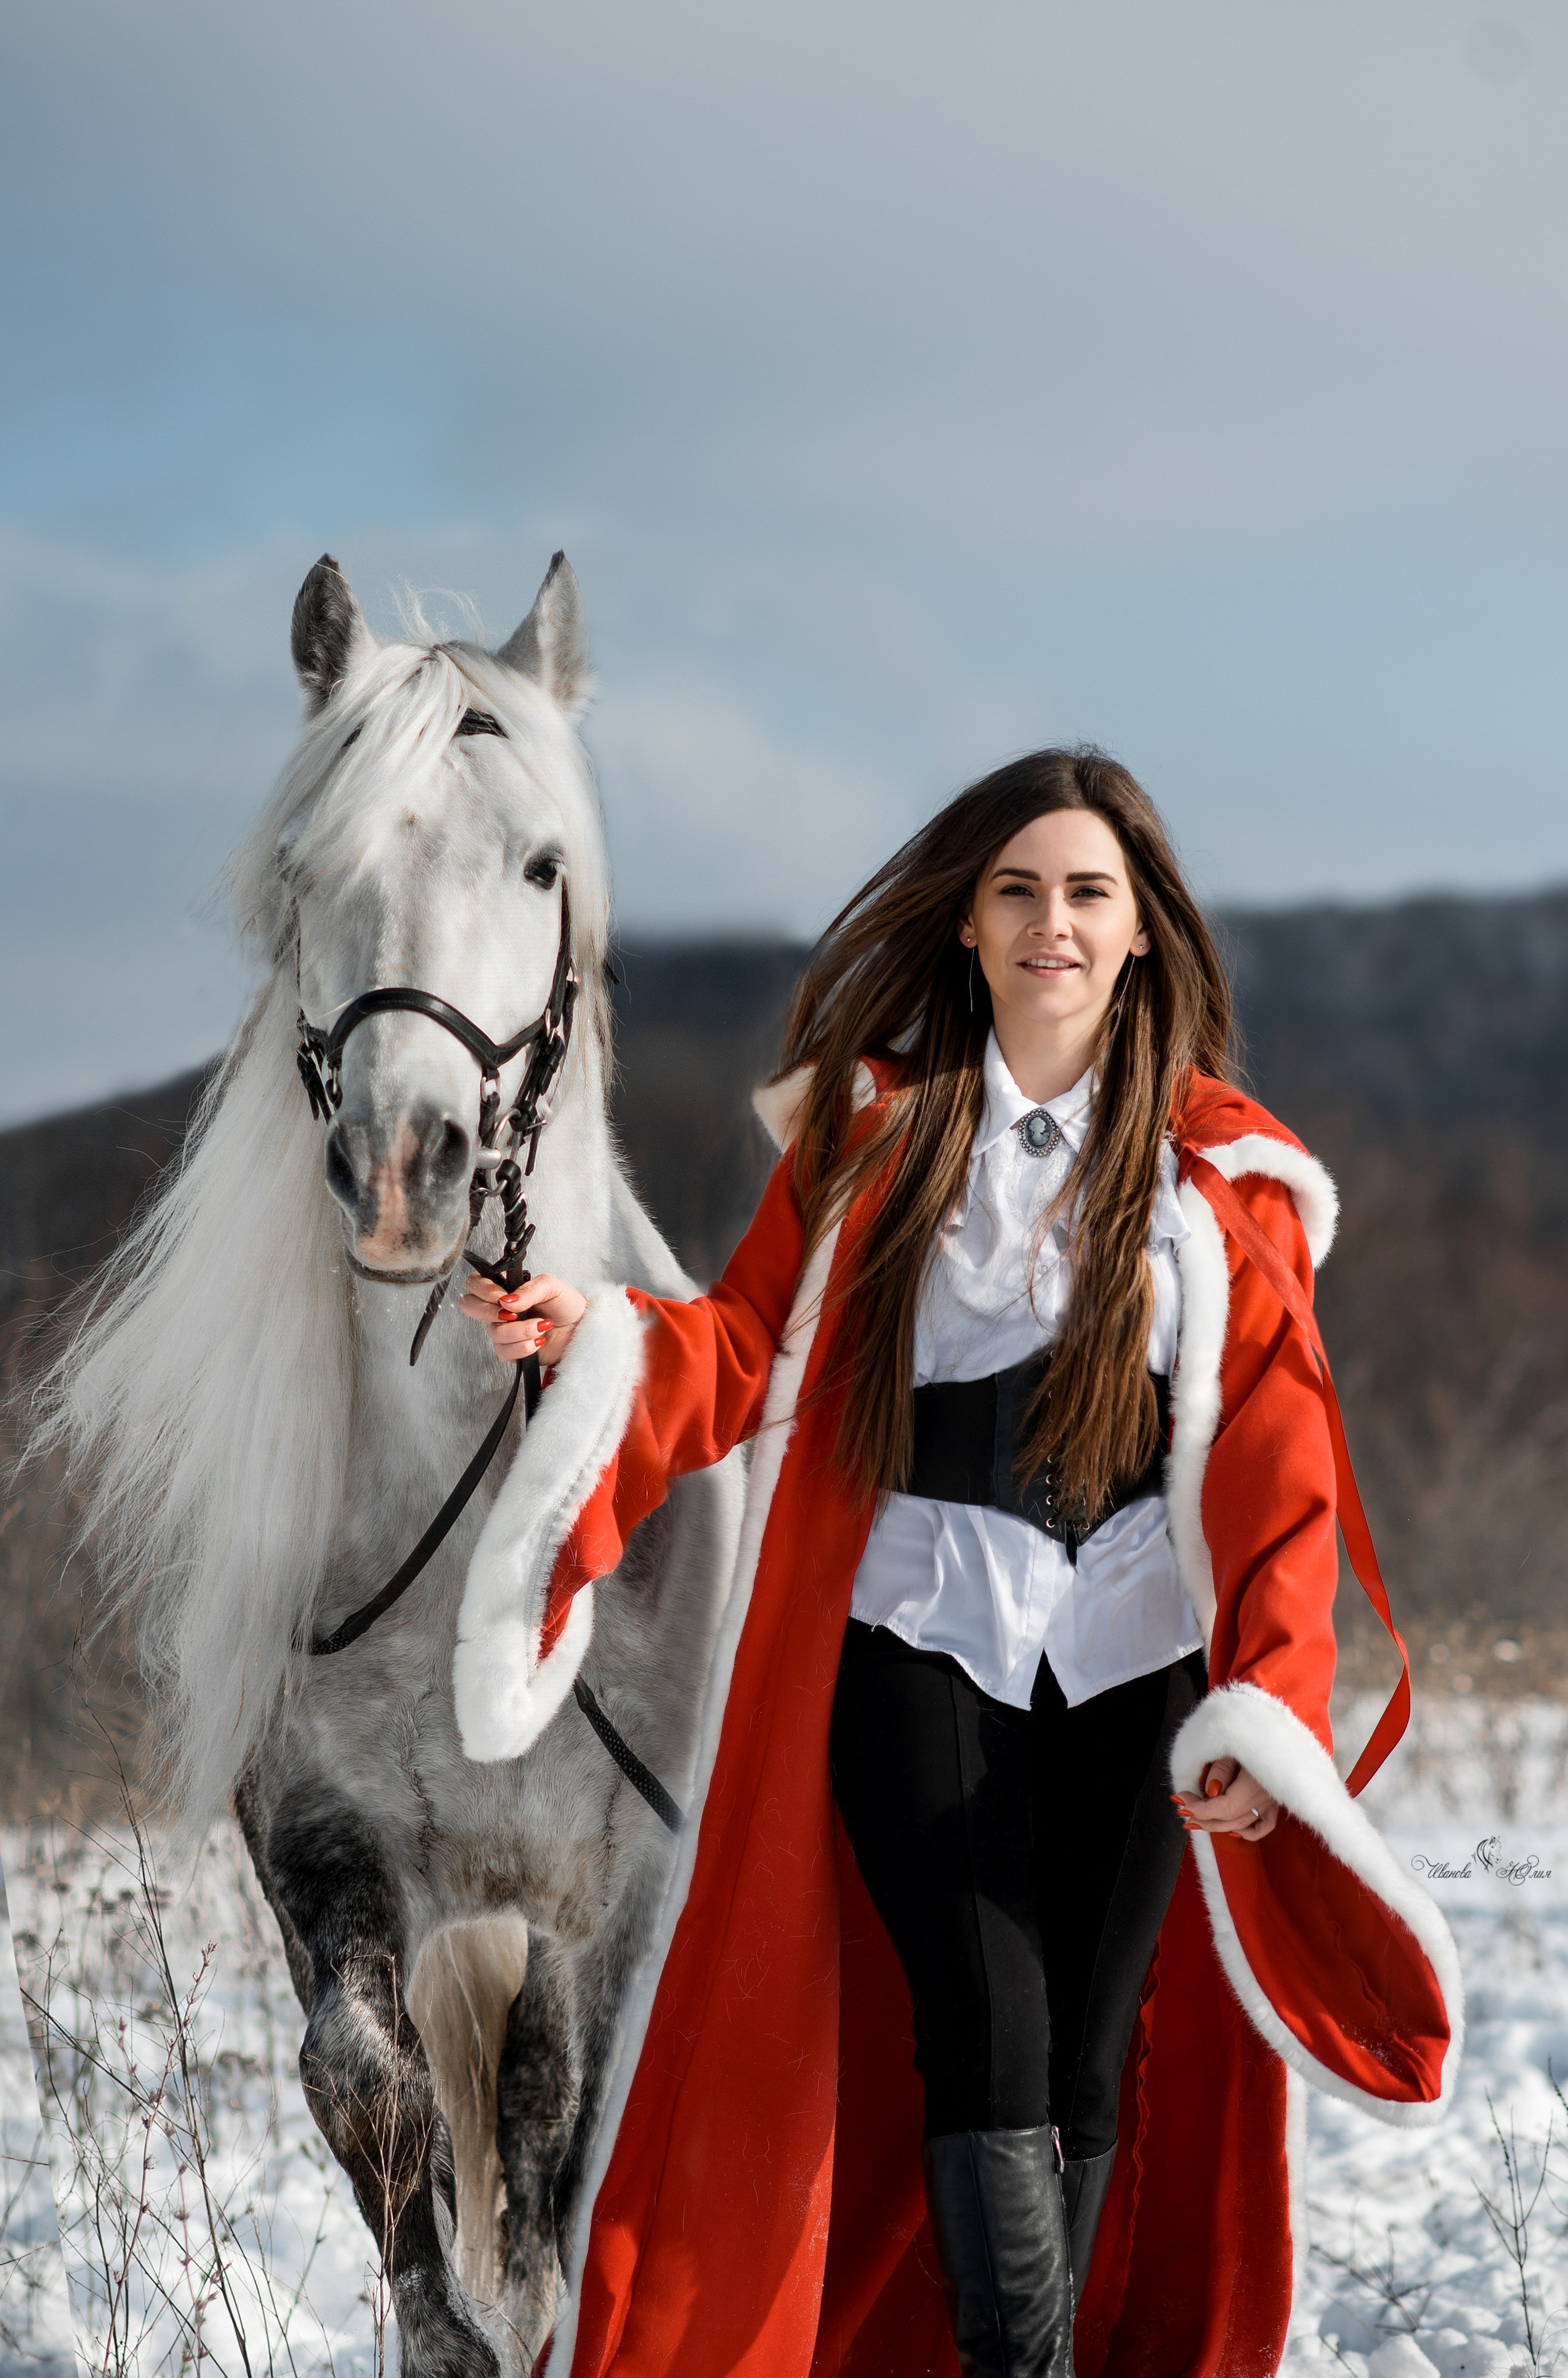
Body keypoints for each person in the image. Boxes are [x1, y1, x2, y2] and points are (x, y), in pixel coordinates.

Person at [461, 748, 1458, 2378]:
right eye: (1019, 891)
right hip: (919, 1625)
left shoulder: (1223, 1180)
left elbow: (1279, 1467)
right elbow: (742, 1345)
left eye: (1087, 893)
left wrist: (1267, 1709)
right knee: (983, 2023)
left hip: (1140, 1653)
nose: (1052, 921)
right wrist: (606, 1335)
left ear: (1140, 932)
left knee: (1086, 2057)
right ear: (971, 926)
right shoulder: (878, 1135)